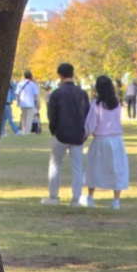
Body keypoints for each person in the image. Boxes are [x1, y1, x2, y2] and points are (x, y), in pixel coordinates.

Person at [43, 62, 89, 206]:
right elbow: (87, 113)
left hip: (61, 133)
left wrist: (53, 130)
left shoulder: (57, 93)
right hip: (78, 134)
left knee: (56, 164)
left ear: (60, 76)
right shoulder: (82, 93)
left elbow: (52, 114)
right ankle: (76, 199)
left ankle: (53, 197)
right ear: (72, 74)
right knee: (77, 167)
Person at [81, 75, 129, 209]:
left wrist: (84, 135)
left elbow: (91, 123)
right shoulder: (117, 104)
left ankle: (90, 197)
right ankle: (116, 201)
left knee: (94, 167)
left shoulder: (96, 104)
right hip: (116, 140)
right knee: (117, 168)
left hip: (101, 139)